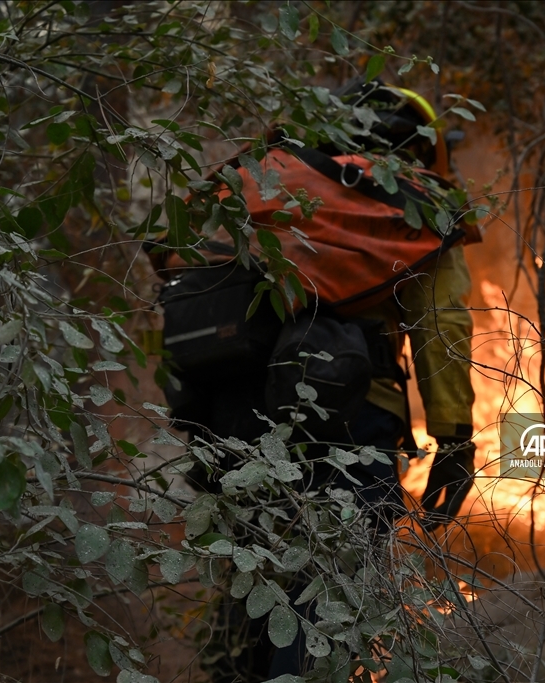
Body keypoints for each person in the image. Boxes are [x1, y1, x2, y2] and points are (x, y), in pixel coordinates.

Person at [147, 79, 479, 681]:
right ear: (416, 143)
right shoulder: (410, 205)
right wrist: (456, 441)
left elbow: (180, 303)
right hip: (350, 426)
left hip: (231, 430)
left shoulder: (248, 182)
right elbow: (441, 329)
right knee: (327, 611)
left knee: (252, 601)